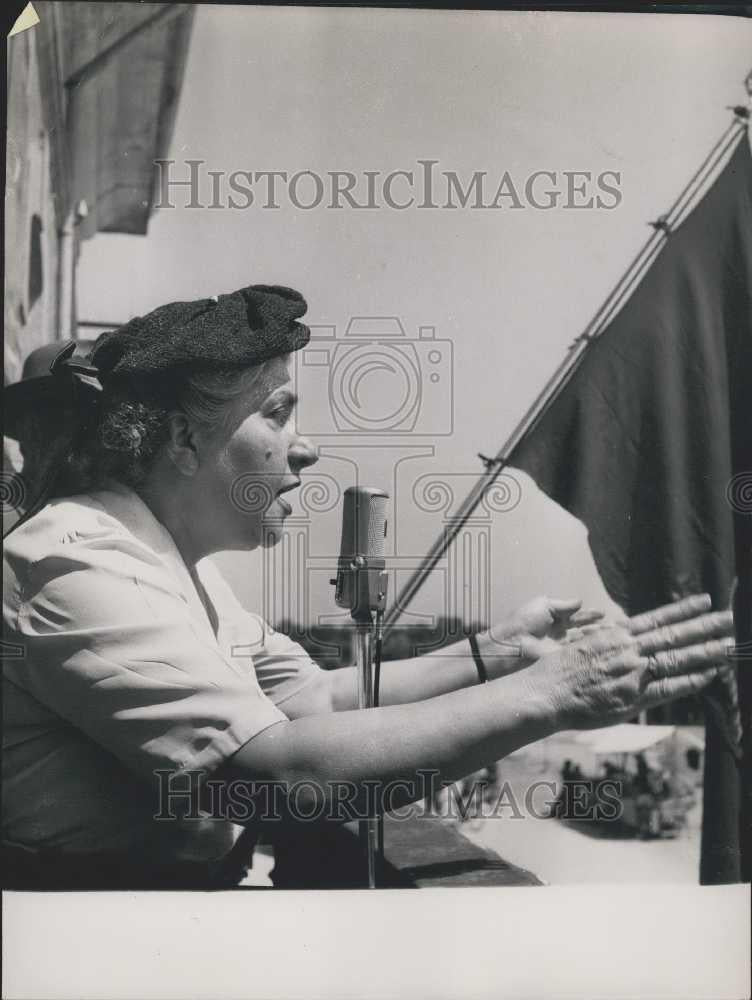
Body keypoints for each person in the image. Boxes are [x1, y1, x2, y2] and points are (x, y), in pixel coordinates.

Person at [2, 283, 735, 888]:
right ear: (182, 440)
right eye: (277, 413)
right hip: (92, 933)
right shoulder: (76, 563)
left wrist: (496, 655)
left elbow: (309, 700)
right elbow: (277, 776)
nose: (308, 448)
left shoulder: (172, 564)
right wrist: (554, 694)